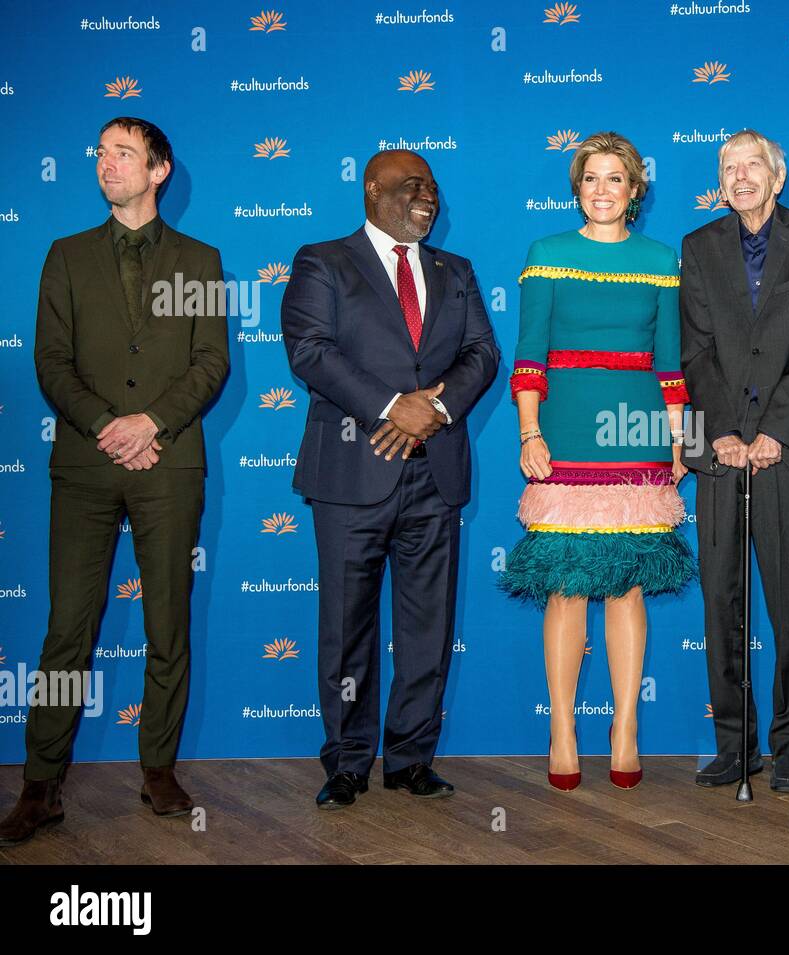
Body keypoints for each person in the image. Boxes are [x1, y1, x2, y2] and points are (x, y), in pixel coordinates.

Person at [0, 117, 229, 846]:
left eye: (123, 153)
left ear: (159, 169)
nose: (107, 163)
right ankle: (41, 784)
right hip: (85, 465)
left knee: (168, 622)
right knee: (68, 628)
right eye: (100, 152)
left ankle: (158, 769)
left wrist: (150, 424)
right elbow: (50, 361)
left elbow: (210, 364)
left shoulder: (200, 260)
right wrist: (110, 425)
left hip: (170, 464)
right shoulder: (65, 257)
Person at [281, 150, 499, 810]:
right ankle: (347, 760)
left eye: (431, 186)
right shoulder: (323, 260)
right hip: (351, 472)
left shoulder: (454, 270)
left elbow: (482, 354)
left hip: (435, 472)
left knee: (427, 625)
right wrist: (390, 405)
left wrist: (431, 408)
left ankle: (410, 757)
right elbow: (310, 350)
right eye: (411, 185)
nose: (426, 196)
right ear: (372, 189)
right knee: (346, 626)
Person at [499, 132, 694, 792]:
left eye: (617, 179)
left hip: (637, 433)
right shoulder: (547, 254)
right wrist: (530, 433)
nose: (603, 189)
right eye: (592, 178)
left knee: (627, 582)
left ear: (636, 189)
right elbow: (529, 356)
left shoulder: (661, 259)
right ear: (576, 187)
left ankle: (626, 726)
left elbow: (671, 365)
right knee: (566, 583)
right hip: (565, 432)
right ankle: (561, 728)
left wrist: (679, 439)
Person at [680, 129, 789, 793]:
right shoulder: (698, 247)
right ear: (720, 182)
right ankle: (734, 746)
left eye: (753, 165)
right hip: (720, 454)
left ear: (779, 177)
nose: (740, 176)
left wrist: (774, 430)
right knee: (721, 603)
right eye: (729, 167)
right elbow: (695, 351)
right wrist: (720, 431)